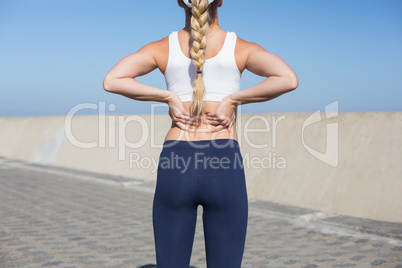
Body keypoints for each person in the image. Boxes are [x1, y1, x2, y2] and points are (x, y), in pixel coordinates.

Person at [103, 0, 298, 267]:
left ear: (180, 2)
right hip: (224, 164)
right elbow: (288, 78)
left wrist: (168, 97)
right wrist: (233, 99)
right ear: (220, 1)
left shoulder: (162, 48)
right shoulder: (239, 47)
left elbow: (112, 80)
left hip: (176, 163)